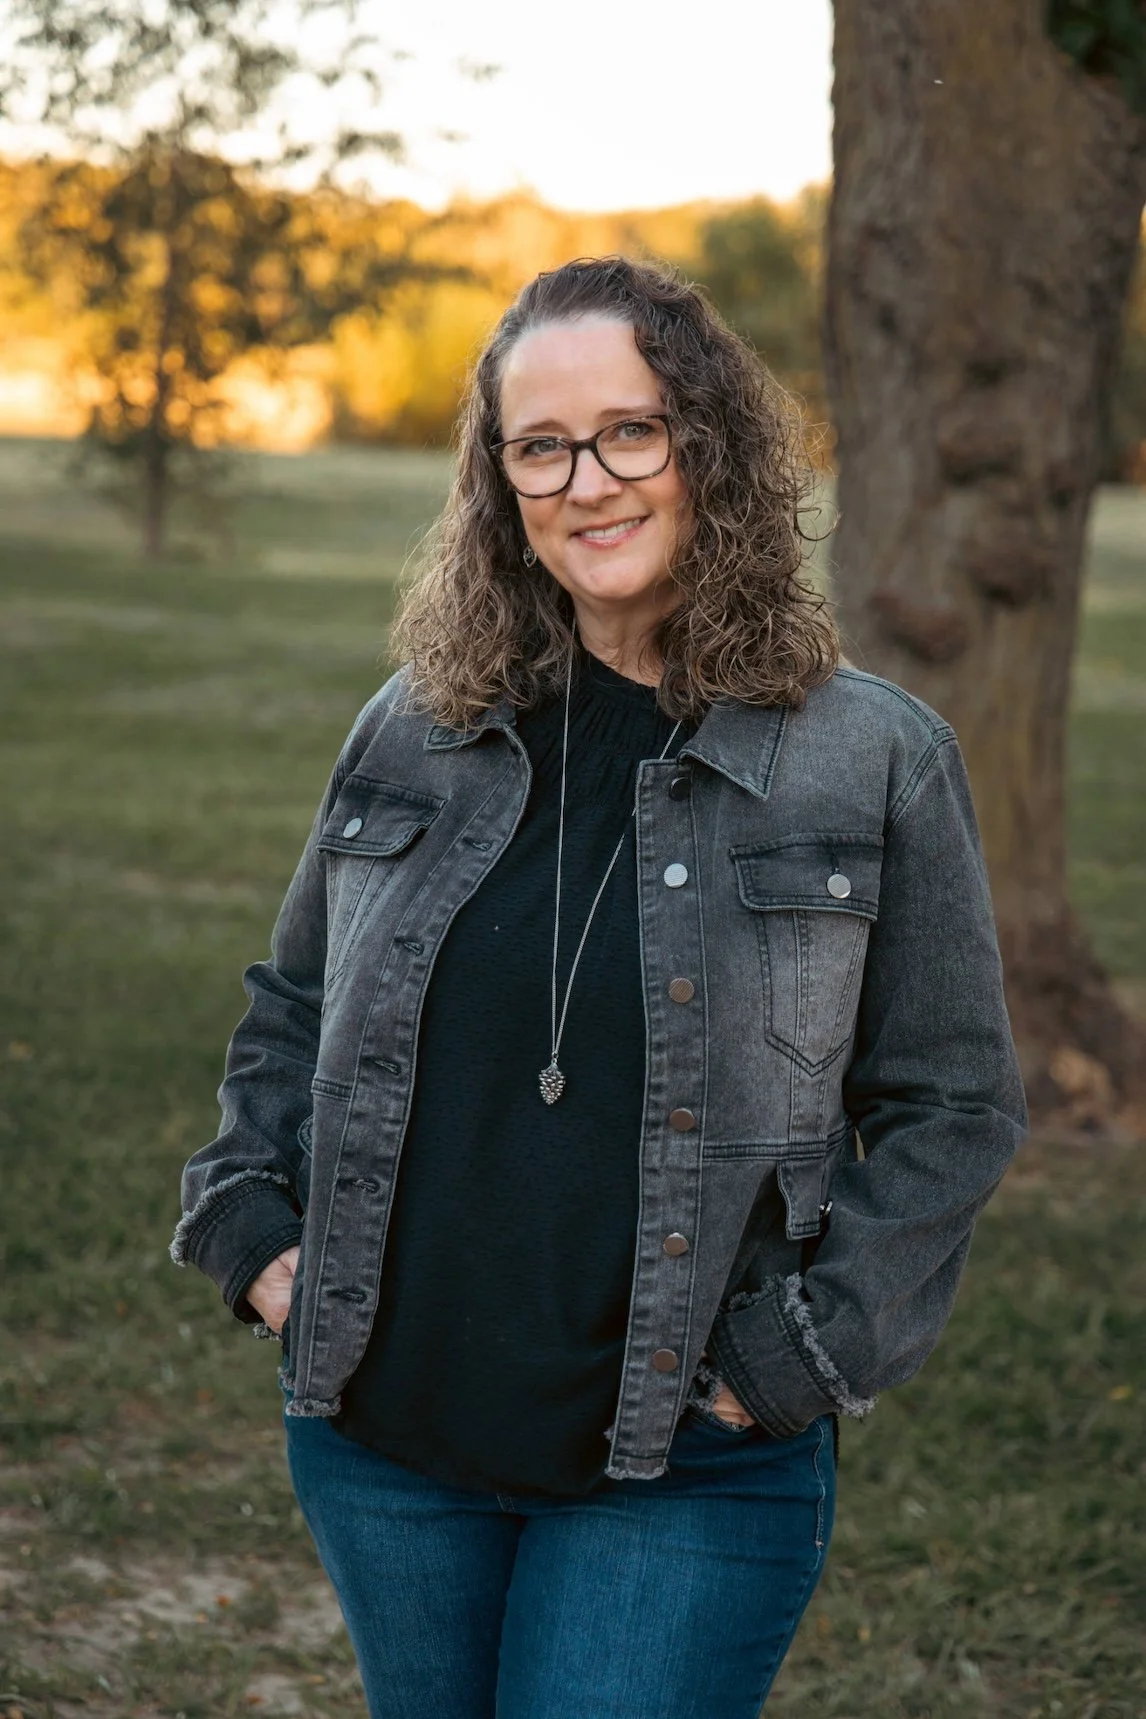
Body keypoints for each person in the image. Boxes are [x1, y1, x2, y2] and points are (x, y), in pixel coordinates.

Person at [171, 256, 1026, 1718]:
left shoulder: (869, 760)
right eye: (542, 447)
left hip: (683, 1462)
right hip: (384, 1440)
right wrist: (247, 1220)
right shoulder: (415, 728)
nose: (589, 482)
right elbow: (293, 1001)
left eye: (632, 432)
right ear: (498, 482)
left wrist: (795, 1357)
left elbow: (950, 1105)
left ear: (709, 448)